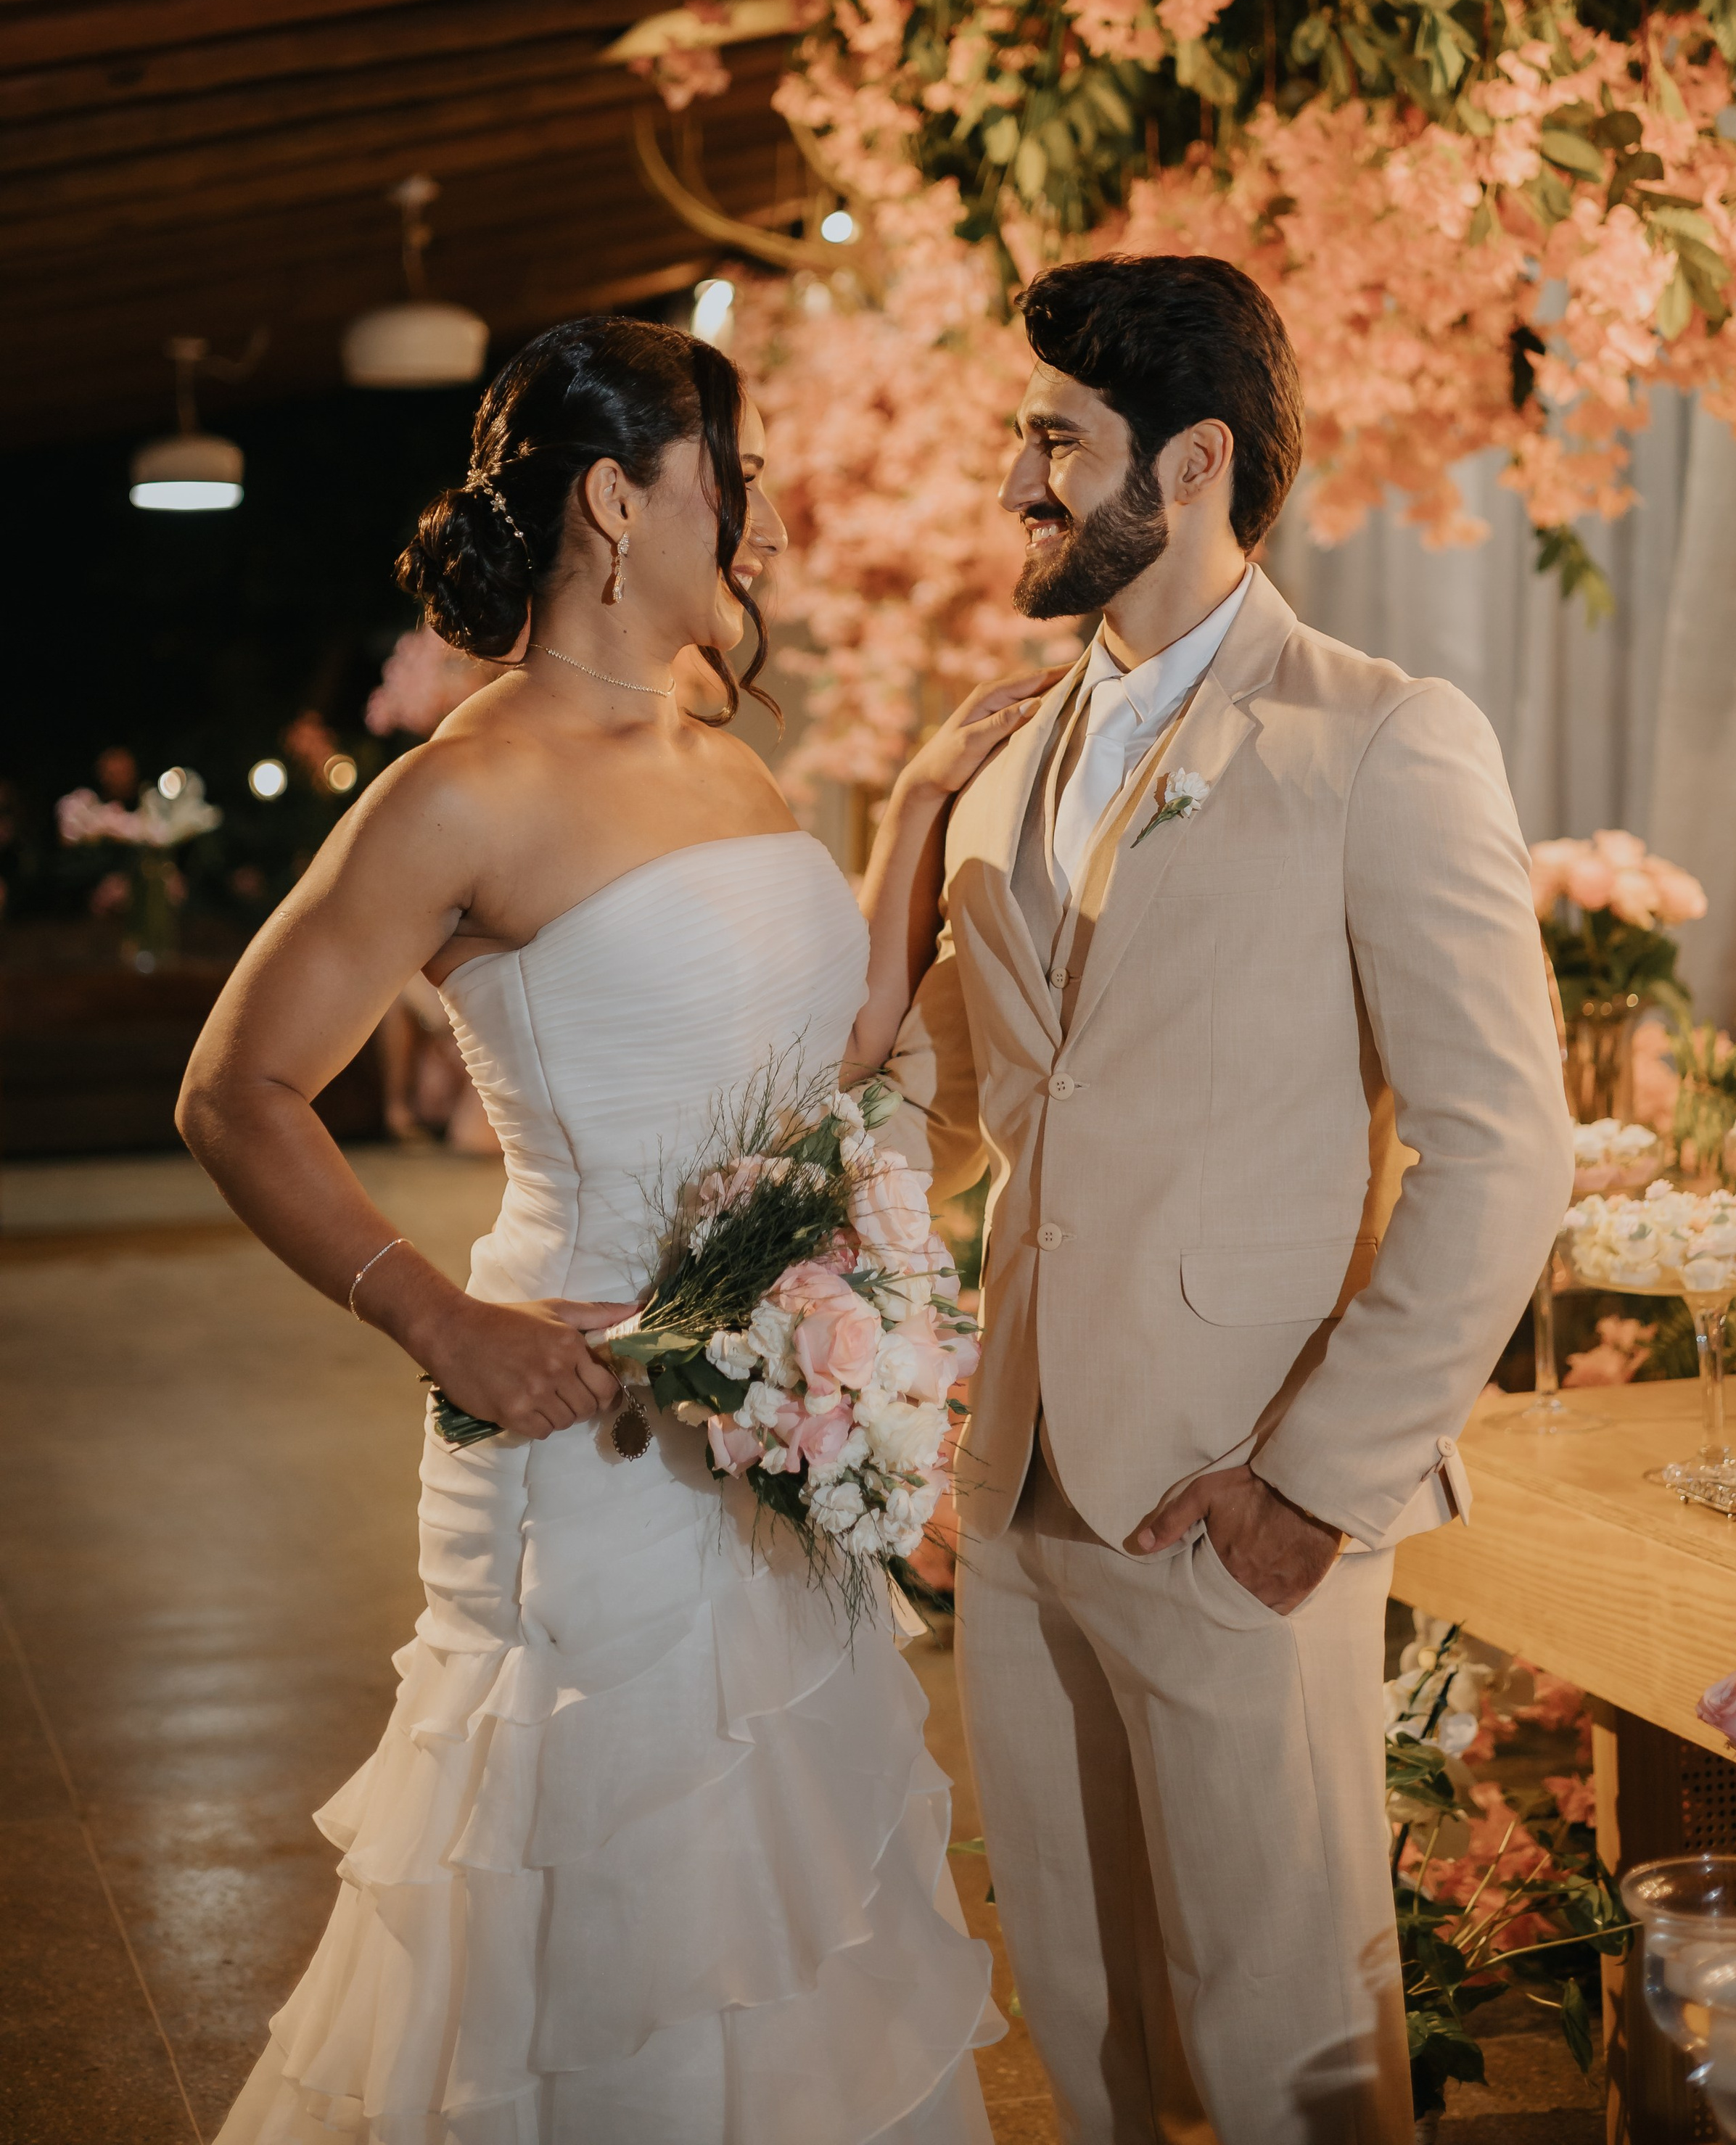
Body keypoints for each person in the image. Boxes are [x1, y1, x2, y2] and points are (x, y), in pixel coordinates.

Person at [179, 315, 1045, 2145]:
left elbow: (819, 1080)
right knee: (596, 1958)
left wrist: (903, 833)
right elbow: (234, 1091)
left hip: (763, 1444)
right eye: (729, 482)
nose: (763, 524)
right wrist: (433, 1317)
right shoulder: (463, 789)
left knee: (780, 1928)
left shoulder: (720, 747)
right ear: (612, 497)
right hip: (586, 1441)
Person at [881, 255, 1573, 2145]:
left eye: (1054, 440)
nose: (1014, 480)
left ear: (1190, 463)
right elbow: (954, 1100)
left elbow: (1505, 1143)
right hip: (1019, 1501)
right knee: (1091, 2036)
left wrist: (1313, 1485)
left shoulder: (1379, 737)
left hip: (1237, 1506)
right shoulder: (1006, 756)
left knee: (1284, 2050)